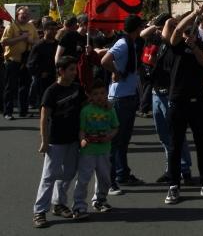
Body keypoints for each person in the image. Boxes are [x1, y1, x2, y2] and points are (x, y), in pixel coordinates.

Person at [164, 8, 203, 204]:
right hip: (177, 101)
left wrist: (195, 47)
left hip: (198, 103)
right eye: (187, 30)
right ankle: (173, 185)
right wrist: (193, 14)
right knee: (175, 146)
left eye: (192, 30)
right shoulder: (176, 44)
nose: (188, 33)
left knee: (202, 144)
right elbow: (176, 30)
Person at [32, 55, 86, 229]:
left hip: (72, 140)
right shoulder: (52, 91)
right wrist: (44, 141)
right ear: (61, 71)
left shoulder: (77, 89)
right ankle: (39, 211)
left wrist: (105, 105)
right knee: (49, 176)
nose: (74, 72)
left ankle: (59, 203)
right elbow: (44, 117)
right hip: (56, 141)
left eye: (74, 69)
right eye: (71, 69)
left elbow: (87, 106)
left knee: (69, 173)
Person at [146, 14, 193, 184]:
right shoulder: (158, 43)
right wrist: (157, 26)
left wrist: (170, 23)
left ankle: (184, 168)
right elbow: (144, 35)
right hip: (156, 93)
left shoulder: (175, 44)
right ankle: (171, 168)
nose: (158, 32)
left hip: (169, 95)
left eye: (161, 28)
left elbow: (169, 35)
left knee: (175, 134)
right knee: (164, 135)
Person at [101, 15, 144, 195]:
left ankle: (122, 173)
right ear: (136, 28)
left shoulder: (131, 43)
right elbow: (105, 60)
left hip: (129, 96)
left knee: (124, 141)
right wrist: (116, 72)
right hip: (119, 98)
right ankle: (109, 182)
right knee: (115, 141)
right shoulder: (123, 43)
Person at [72, 79, 118, 219]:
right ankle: (79, 206)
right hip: (88, 151)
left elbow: (115, 127)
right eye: (96, 94)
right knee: (84, 179)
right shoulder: (86, 111)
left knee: (105, 178)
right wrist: (82, 140)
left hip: (104, 149)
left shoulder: (110, 109)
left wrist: (109, 136)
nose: (99, 96)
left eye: (103, 93)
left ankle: (100, 200)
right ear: (90, 96)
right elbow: (81, 129)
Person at [2, 5, 39, 119]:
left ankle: (24, 110)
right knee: (10, 87)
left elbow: (37, 42)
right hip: (13, 61)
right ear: (17, 15)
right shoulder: (11, 27)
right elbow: (4, 42)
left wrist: (30, 40)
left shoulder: (31, 27)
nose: (25, 16)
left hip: (26, 61)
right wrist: (21, 38)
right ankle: (8, 112)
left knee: (25, 86)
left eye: (27, 14)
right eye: (22, 14)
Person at [28, 19, 60, 108]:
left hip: (55, 77)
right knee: (44, 102)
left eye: (55, 29)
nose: (54, 32)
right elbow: (31, 64)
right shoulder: (38, 46)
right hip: (43, 80)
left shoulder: (58, 45)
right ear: (45, 30)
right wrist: (40, 73)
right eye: (52, 29)